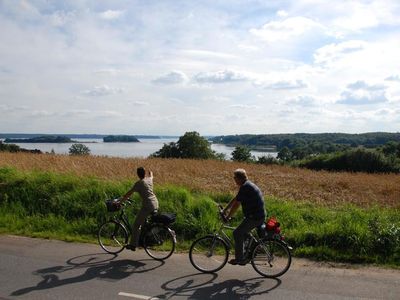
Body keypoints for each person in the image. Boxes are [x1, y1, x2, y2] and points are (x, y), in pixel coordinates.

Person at [223, 168, 266, 265]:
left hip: (255, 217)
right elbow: (236, 198)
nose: (234, 180)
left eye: (235, 177)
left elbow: (237, 204)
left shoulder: (245, 187)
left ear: (239, 178)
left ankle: (240, 259)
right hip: (256, 215)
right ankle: (255, 248)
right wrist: (225, 209)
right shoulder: (246, 185)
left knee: (237, 233)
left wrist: (228, 216)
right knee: (243, 232)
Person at [119, 167, 159, 251]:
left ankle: (133, 244)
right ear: (144, 173)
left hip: (148, 206)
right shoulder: (149, 180)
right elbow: (152, 176)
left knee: (136, 225)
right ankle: (142, 240)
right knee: (144, 223)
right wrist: (150, 172)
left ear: (137, 174)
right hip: (155, 203)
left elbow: (129, 193)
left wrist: (119, 202)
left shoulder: (139, 183)